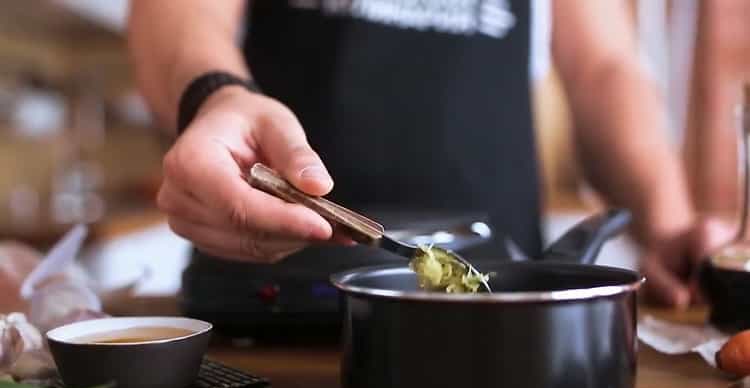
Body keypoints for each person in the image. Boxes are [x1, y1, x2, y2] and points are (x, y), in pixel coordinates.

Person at [127, 0, 732, 309]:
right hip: (273, 296)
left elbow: (604, 67)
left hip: (497, 304)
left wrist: (668, 219)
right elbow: (178, 13)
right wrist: (215, 96)